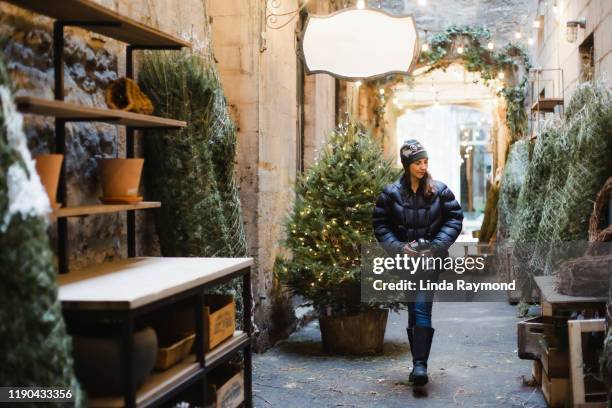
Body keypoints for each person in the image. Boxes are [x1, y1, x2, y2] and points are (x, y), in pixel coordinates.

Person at [372, 139, 464, 386]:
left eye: (425, 161)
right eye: (417, 162)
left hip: (430, 261)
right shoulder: (391, 194)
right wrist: (400, 248)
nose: (423, 167)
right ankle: (417, 363)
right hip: (405, 262)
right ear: (407, 165)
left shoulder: (439, 191)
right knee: (414, 308)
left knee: (422, 307)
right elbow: (380, 225)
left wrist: (435, 247)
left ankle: (420, 366)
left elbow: (455, 219)